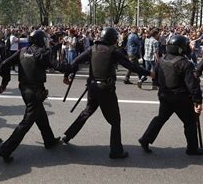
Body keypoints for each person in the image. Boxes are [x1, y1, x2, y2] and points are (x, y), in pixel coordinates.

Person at [62, 27, 152, 159]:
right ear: (112, 39)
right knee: (115, 120)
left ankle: (68, 135)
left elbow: (75, 61)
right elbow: (130, 66)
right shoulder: (113, 51)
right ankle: (116, 151)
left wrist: (66, 75)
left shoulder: (92, 48)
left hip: (92, 87)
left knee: (87, 111)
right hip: (106, 89)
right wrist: (148, 73)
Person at [0, 30, 74, 163]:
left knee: (41, 115)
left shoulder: (21, 51)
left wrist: (5, 82)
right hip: (35, 91)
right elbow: (57, 66)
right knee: (26, 122)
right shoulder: (42, 53)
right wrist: (71, 67)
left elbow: (3, 65)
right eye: (44, 39)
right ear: (39, 40)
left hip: (24, 89)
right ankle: (6, 149)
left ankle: (49, 140)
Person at [139, 35, 203, 156]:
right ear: (180, 48)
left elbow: (156, 79)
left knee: (160, 119)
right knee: (190, 123)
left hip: (165, 96)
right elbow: (193, 85)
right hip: (181, 99)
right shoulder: (186, 64)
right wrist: (198, 101)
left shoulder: (162, 60)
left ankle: (145, 139)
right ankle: (192, 149)